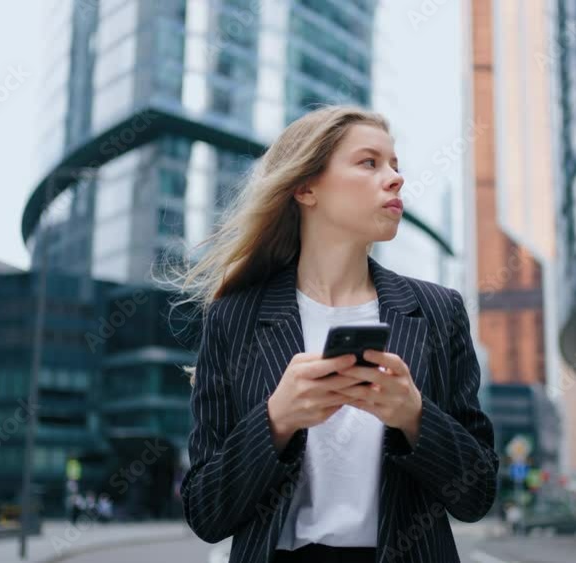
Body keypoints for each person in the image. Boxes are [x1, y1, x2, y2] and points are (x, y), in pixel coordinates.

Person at [171, 106, 499, 563]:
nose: (395, 178)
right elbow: (205, 513)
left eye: (395, 165)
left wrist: (415, 416)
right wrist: (277, 420)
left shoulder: (439, 312)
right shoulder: (233, 318)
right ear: (306, 187)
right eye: (370, 162)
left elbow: (477, 494)